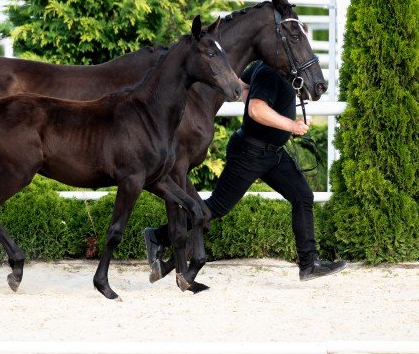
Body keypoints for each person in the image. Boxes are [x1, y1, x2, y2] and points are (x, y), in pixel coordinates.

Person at [143, 61, 347, 281]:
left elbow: (242, 86)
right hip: (250, 153)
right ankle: (157, 236)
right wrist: (290, 126)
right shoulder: (270, 72)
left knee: (302, 196)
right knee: (217, 207)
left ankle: (309, 264)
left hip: (273, 153)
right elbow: (256, 109)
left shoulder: (266, 67)